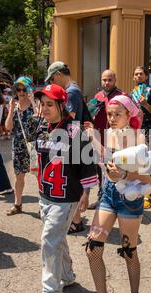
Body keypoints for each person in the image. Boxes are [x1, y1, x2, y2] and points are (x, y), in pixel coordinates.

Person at [34, 84, 98, 293]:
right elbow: (40, 158)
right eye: (42, 104)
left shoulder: (75, 130)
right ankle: (67, 276)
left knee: (49, 239)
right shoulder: (41, 127)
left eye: (50, 104)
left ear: (62, 105)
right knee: (57, 238)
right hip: (45, 194)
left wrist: (85, 195)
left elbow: (87, 166)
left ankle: (50, 292)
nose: (44, 109)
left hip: (66, 197)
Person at [84, 94, 150, 293]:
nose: (111, 118)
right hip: (108, 195)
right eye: (109, 114)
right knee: (92, 248)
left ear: (129, 114)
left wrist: (122, 174)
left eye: (117, 114)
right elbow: (108, 159)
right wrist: (94, 137)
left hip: (129, 199)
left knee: (129, 250)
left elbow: (148, 179)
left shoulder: (138, 138)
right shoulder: (111, 133)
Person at [45, 61, 92, 230]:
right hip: (73, 138)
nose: (52, 83)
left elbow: (68, 115)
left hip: (69, 139)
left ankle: (76, 221)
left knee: (71, 179)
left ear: (58, 74)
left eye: (52, 79)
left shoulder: (70, 92)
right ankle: (75, 219)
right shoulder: (75, 88)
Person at [86, 70, 124, 211]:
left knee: (115, 171)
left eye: (109, 80)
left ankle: (118, 201)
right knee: (100, 171)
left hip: (116, 142)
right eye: (104, 80)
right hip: (98, 140)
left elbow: (133, 116)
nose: (106, 83)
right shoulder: (98, 96)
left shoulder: (122, 96)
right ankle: (102, 198)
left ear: (115, 80)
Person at [4, 76, 40, 216]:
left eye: (24, 89)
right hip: (18, 146)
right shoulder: (14, 106)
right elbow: (8, 127)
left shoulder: (35, 105)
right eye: (18, 89)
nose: (21, 92)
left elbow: (40, 123)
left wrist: (33, 102)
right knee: (19, 176)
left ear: (29, 89)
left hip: (33, 146)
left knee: (39, 177)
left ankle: (43, 207)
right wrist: (11, 108)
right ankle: (17, 204)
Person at [130, 66, 151, 209]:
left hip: (150, 129)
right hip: (136, 129)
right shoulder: (132, 93)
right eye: (136, 74)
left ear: (146, 76)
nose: (138, 76)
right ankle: (140, 190)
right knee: (138, 162)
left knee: (149, 161)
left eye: (141, 74)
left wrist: (145, 104)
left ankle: (149, 193)